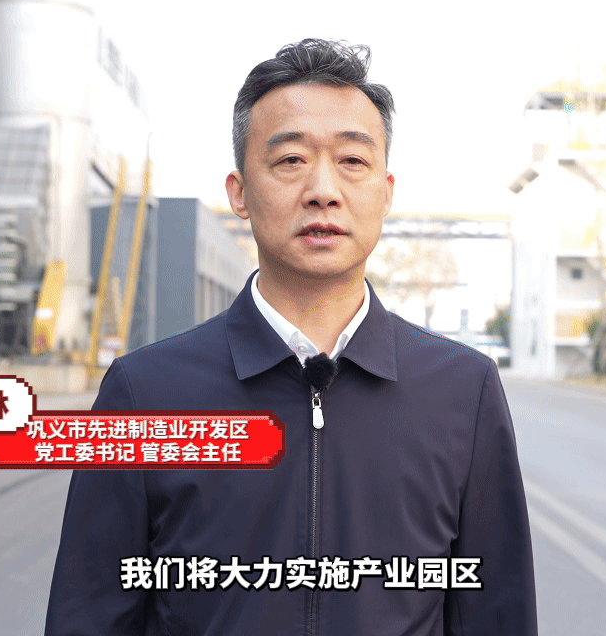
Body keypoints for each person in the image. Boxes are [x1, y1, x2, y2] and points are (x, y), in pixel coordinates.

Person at [45, 38, 537, 635]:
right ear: (239, 193)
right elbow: (91, 614)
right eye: (290, 160)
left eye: (352, 160)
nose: (323, 189)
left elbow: (496, 614)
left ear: (386, 191)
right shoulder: (144, 393)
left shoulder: (463, 390)